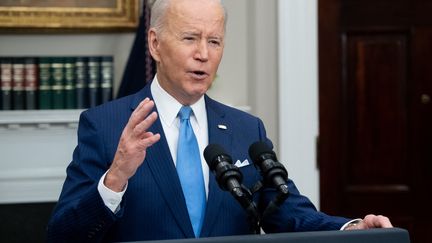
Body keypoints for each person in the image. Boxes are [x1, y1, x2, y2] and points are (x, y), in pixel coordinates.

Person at [46, 0, 392, 242]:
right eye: (190, 38)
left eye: (214, 41)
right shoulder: (105, 125)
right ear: (154, 44)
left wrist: (350, 229)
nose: (204, 54)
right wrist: (115, 178)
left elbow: (287, 211)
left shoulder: (246, 129)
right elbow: (64, 235)